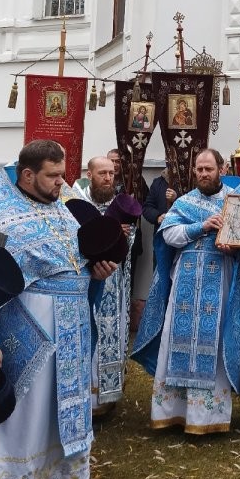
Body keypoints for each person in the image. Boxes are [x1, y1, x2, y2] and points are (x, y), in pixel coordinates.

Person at [0, 139, 117, 479]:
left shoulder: (65, 213)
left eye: (63, 174)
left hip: (72, 329)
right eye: (54, 176)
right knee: (23, 417)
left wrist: (95, 276)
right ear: (28, 175)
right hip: (30, 333)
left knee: (60, 411)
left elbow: (77, 267)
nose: (63, 183)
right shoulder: (3, 219)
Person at [132, 149, 240, 434]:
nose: (203, 174)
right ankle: (173, 411)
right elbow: (169, 235)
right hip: (185, 283)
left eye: (209, 169)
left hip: (219, 279)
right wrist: (200, 227)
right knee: (178, 337)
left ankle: (208, 417)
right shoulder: (185, 202)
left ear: (221, 169)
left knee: (214, 340)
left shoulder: (235, 203)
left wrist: (234, 248)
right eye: (199, 169)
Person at [74, 156, 134, 414]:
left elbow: (128, 248)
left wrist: (124, 238)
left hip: (113, 283)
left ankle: (105, 399)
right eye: (102, 173)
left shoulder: (120, 206)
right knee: (87, 332)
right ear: (90, 174)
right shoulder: (75, 203)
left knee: (110, 332)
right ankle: (82, 394)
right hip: (84, 284)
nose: (109, 178)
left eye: (111, 173)